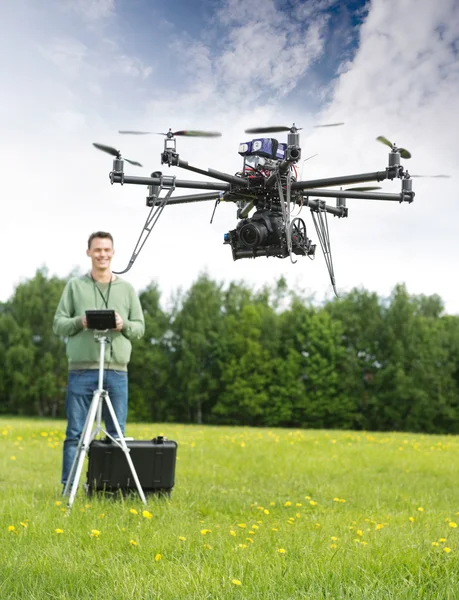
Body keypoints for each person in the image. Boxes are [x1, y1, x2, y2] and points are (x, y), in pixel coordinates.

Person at [53, 231, 145, 486]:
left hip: (116, 371)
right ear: (89, 253)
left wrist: (122, 324)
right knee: (75, 434)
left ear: (113, 253)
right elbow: (58, 325)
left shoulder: (126, 289)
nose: (102, 254)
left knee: (117, 434)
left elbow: (139, 328)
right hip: (81, 371)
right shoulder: (75, 286)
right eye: (97, 250)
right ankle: (68, 488)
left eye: (106, 250)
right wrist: (79, 322)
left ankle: (112, 487)